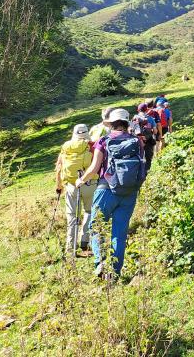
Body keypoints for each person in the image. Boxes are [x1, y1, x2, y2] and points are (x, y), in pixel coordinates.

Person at [76, 108, 146, 278]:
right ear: (126, 123)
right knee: (119, 233)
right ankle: (114, 272)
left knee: (96, 227)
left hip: (106, 190)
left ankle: (100, 263)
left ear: (111, 123)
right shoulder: (137, 142)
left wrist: (81, 180)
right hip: (129, 192)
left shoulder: (103, 141)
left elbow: (94, 168)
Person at [55, 124, 96, 256]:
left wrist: (59, 185)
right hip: (90, 184)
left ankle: (70, 248)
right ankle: (85, 241)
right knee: (89, 212)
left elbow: (59, 167)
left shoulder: (66, 147)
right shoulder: (92, 146)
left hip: (71, 185)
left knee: (72, 217)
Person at [130, 103, 158, 171]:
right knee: (148, 157)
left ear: (138, 110)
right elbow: (155, 131)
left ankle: (138, 172)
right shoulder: (150, 118)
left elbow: (131, 130)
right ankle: (147, 171)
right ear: (146, 110)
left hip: (137, 141)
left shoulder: (134, 118)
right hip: (148, 140)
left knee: (138, 156)